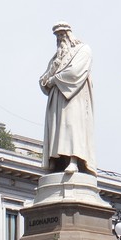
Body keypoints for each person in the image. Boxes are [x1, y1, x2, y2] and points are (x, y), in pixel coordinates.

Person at [39, 22, 96, 176]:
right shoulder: (56, 57)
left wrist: (54, 79)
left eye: (62, 34)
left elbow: (75, 72)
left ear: (69, 34)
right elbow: (44, 79)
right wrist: (51, 72)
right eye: (57, 36)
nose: (60, 38)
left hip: (74, 96)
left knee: (72, 126)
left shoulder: (83, 49)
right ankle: (57, 161)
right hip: (56, 100)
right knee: (57, 129)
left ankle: (74, 161)